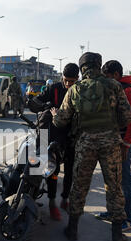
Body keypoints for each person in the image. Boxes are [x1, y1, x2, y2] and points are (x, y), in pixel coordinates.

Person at [52, 52, 131, 241]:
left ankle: (72, 230)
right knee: (114, 187)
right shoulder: (114, 86)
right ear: (99, 65)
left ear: (82, 69)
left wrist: (55, 115)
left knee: (79, 187)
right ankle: (117, 237)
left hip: (85, 144)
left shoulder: (75, 89)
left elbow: (61, 121)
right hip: (110, 145)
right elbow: (128, 117)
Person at [96, 60, 131, 232]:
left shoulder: (128, 91)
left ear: (116, 75)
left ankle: (127, 218)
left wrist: (127, 144)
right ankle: (112, 212)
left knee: (124, 181)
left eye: (108, 77)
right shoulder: (117, 88)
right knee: (112, 181)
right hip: (112, 142)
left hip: (123, 144)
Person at [30, 63, 80, 221]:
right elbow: (36, 102)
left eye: (71, 81)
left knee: (71, 172)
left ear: (77, 79)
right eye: (66, 80)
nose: (68, 84)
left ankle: (65, 199)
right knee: (52, 171)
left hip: (72, 137)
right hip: (53, 137)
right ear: (62, 78)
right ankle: (52, 203)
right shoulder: (54, 89)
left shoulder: (81, 91)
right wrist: (44, 105)